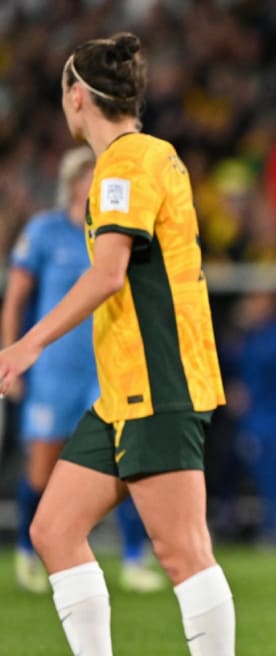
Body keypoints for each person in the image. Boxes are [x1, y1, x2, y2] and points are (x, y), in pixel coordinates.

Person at [0, 33, 234, 655]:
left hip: (160, 381)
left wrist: (29, 344)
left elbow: (108, 274)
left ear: (77, 96)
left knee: (182, 552)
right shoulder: (143, 157)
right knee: (53, 529)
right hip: (126, 392)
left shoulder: (126, 165)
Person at [2, 146, 165, 595]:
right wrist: (11, 353)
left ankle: (133, 557)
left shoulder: (115, 231)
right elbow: (16, 298)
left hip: (107, 365)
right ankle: (27, 552)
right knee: (42, 467)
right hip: (55, 370)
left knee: (127, 460)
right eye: (90, 176)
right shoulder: (45, 231)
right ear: (72, 183)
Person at [219, 290, 276, 546]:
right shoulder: (244, 336)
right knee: (234, 465)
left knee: (270, 471)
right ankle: (229, 521)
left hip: (274, 415)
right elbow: (229, 364)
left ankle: (274, 527)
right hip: (250, 418)